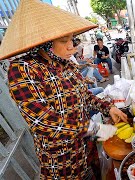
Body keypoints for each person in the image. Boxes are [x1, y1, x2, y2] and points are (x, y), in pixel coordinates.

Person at [0, 0, 127, 179]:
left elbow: (84, 94)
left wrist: (108, 107)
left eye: (72, 39)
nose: (71, 47)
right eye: (63, 41)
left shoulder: (65, 63)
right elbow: (44, 122)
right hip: (63, 160)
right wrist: (94, 128)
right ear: (43, 43)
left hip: (87, 149)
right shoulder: (23, 69)